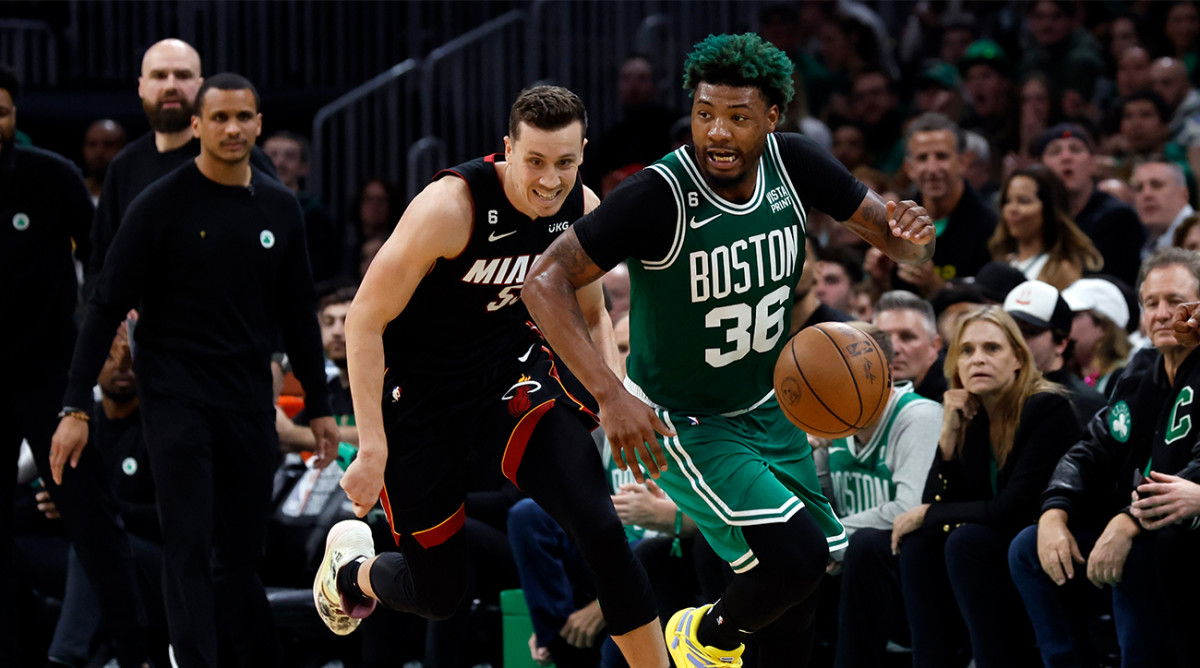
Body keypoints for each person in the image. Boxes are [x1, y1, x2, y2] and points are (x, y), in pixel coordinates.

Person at [522, 33, 935, 668]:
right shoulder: (659, 195)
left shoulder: (795, 163)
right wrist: (610, 396)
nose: (717, 131)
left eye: (738, 117)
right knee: (794, 556)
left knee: (799, 594)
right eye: (705, 113)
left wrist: (911, 237)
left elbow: (895, 239)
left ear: (772, 119)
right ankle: (700, 639)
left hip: (772, 405)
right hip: (686, 421)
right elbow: (544, 281)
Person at [311, 85, 669, 667]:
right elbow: (363, 320)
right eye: (535, 161)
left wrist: (616, 394)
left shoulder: (581, 209)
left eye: (565, 162)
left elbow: (594, 313)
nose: (550, 180)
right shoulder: (450, 207)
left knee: (600, 527)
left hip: (509, 377)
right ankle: (354, 575)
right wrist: (371, 446)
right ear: (507, 149)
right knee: (440, 595)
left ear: (583, 154)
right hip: (418, 395)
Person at [52, 73, 339, 668]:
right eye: (219, 118)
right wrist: (75, 405)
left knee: (238, 553)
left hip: (245, 396)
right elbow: (105, 305)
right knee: (186, 543)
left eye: (243, 117)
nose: (232, 129)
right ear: (198, 125)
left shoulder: (280, 208)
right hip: (175, 394)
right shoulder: (158, 205)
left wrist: (318, 406)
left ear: (258, 124)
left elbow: (296, 312)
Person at [0, 63, 153, 668]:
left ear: (17, 116)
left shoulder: (50, 177)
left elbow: (103, 269)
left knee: (92, 524)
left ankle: (136, 654)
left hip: (49, 380)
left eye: (4, 111)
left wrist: (88, 350)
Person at [1009, 247, 1200, 668]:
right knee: (1027, 547)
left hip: (1179, 531)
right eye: (1152, 303)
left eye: (1176, 301)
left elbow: (1191, 473)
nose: (1163, 313)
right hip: (1142, 524)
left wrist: (1127, 522)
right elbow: (1090, 449)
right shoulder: (1141, 369)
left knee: (1146, 549)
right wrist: (1055, 512)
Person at [891, 306, 1080, 668]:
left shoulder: (1047, 408)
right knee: (919, 543)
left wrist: (930, 513)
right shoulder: (972, 415)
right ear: (955, 365)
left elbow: (1014, 508)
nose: (978, 359)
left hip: (1046, 542)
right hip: (997, 543)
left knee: (966, 540)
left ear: (1018, 361)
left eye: (992, 349)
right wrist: (948, 433)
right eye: (966, 350)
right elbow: (937, 502)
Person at [87, 39, 277, 283]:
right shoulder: (125, 166)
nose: (171, 86)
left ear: (201, 87)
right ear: (141, 87)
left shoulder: (244, 159)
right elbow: (102, 260)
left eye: (182, 75)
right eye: (159, 76)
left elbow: (282, 249)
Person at [821, 324, 943, 668]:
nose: (826, 381)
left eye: (841, 369)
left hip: (912, 573)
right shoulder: (828, 414)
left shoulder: (919, 415)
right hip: (849, 569)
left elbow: (907, 510)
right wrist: (806, 453)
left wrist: (830, 540)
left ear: (882, 374)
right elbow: (815, 504)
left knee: (866, 546)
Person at [867, 112, 996, 298]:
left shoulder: (989, 226)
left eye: (941, 156)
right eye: (922, 158)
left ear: (963, 162)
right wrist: (880, 280)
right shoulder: (894, 222)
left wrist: (938, 287)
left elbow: (993, 306)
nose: (932, 169)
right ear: (909, 168)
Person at [1038, 122, 1146, 287]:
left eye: (1076, 149)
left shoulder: (1118, 218)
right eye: (1055, 151)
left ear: (1093, 163)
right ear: (1041, 166)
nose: (1066, 157)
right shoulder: (1036, 217)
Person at [1002, 279, 1106, 427]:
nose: (1018, 342)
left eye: (1030, 332)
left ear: (1061, 343)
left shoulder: (1082, 403)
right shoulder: (995, 392)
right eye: (1011, 332)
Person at [988, 165, 1102, 290]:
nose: (1012, 209)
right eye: (1008, 201)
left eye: (1024, 201)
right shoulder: (1002, 262)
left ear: (1049, 210)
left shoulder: (1062, 270)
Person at [263, 130, 342, 282]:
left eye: (290, 156)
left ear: (304, 167)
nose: (280, 162)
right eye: (273, 155)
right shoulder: (248, 208)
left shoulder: (315, 213)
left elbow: (323, 268)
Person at [1062, 277, 1134, 395]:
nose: (1064, 322)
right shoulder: (1063, 375)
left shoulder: (1124, 380)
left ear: (1103, 326)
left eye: (1073, 315)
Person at [874, 291, 947, 403]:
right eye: (883, 339)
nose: (894, 349)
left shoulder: (955, 400)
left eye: (907, 337)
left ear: (934, 345)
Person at [1132, 158, 1194, 258]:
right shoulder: (1147, 245)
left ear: (1183, 195)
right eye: (1139, 188)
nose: (1146, 194)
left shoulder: (1196, 238)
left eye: (1156, 185)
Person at [81, 119, 127, 204]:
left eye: (109, 144)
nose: (99, 151)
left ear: (124, 149)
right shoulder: (75, 192)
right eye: (92, 144)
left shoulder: (136, 193)